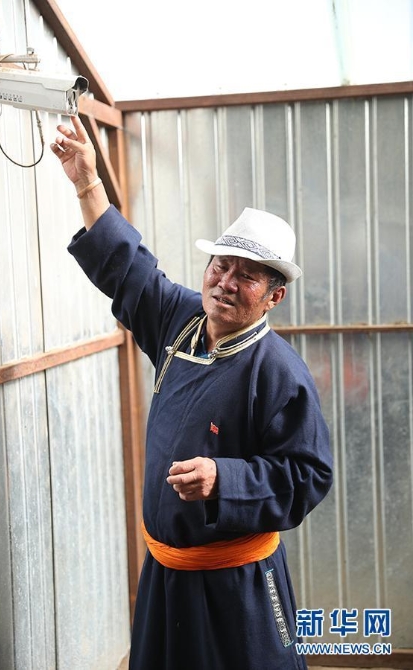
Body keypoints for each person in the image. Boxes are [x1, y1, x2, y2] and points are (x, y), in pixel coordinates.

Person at [51, 115, 333, 670]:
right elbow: (129, 270)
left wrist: (222, 479)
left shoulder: (279, 372)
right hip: (166, 574)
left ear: (273, 297)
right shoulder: (181, 320)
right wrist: (87, 182)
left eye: (246, 276)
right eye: (220, 265)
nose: (225, 282)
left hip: (238, 586)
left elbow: (307, 477)